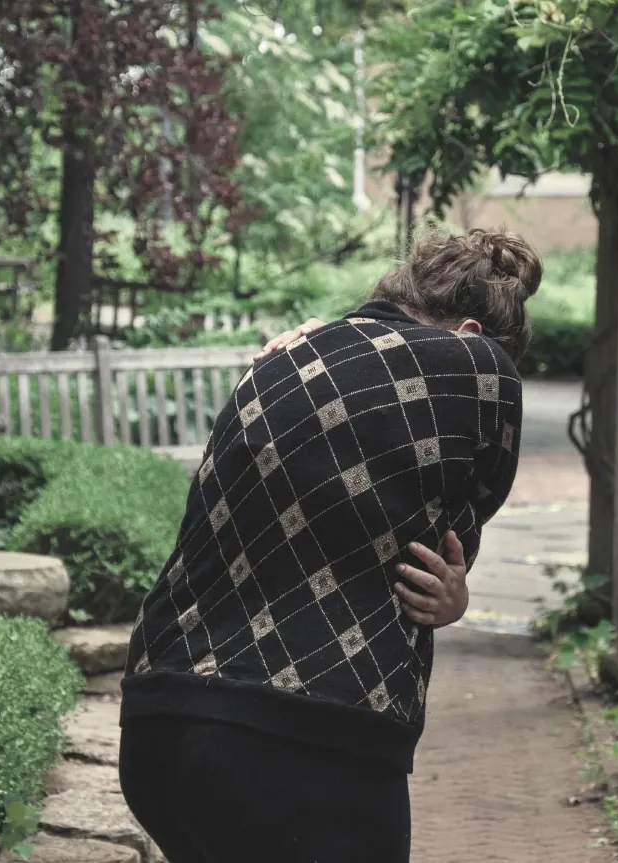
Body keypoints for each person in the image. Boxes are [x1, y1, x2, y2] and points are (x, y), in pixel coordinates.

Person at [118, 228, 541, 862]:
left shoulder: (291, 353)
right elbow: (456, 532)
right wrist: (454, 592)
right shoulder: (479, 367)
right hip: (311, 741)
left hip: (160, 719)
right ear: (474, 335)